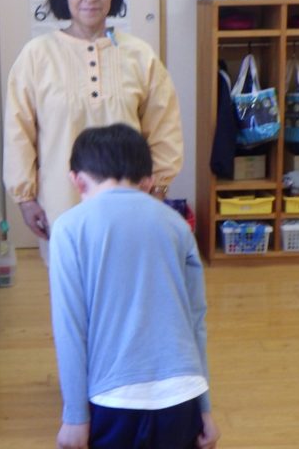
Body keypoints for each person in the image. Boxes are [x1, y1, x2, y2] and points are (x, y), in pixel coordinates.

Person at [3, 0, 183, 262]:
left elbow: (164, 127)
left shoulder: (139, 55)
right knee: (70, 286)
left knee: (126, 284)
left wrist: (158, 189)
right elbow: (19, 133)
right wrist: (25, 198)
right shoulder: (36, 56)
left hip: (131, 205)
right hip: (61, 205)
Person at [49, 124, 219, 449]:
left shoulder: (69, 228)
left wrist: (75, 417)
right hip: (182, 397)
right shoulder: (177, 226)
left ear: (77, 180)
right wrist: (205, 409)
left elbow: (70, 329)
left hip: (113, 401)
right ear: (149, 181)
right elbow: (196, 322)